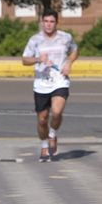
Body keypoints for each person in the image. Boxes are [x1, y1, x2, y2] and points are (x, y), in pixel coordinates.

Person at [22, 11, 78, 162]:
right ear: (42, 22)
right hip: (41, 84)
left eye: (51, 21)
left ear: (56, 22)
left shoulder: (65, 37)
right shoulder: (35, 40)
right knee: (42, 119)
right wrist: (38, 59)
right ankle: (44, 144)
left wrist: (68, 63)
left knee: (57, 112)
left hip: (60, 80)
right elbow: (24, 60)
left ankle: (52, 134)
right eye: (45, 21)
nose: (48, 24)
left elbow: (74, 50)